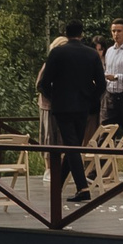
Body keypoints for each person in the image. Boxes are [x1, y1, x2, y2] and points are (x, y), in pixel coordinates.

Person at [37, 19, 107, 198]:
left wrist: (55, 98)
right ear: (81, 34)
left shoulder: (57, 53)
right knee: (74, 145)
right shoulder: (92, 54)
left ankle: (82, 188)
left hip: (63, 108)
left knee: (72, 146)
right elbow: (101, 84)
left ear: (66, 34)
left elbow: (44, 83)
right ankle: (58, 186)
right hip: (83, 107)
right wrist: (90, 100)